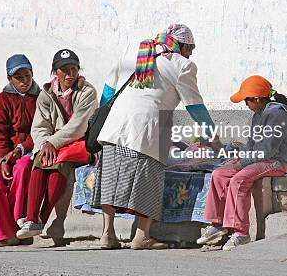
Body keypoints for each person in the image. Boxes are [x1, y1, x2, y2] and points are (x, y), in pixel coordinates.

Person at [92, 24, 218, 250]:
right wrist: (214, 139)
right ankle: (142, 236)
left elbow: (108, 91)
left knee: (111, 180)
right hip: (147, 131)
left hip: (115, 127)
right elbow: (195, 107)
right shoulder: (183, 65)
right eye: (191, 48)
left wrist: (105, 119)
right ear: (182, 46)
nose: (191, 53)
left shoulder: (135, 52)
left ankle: (107, 234)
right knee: (147, 184)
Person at [198, 75, 287, 250]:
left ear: (256, 99)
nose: (245, 105)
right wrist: (242, 158)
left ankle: (241, 232)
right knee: (219, 174)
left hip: (276, 162)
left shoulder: (277, 114)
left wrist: (245, 162)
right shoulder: (258, 115)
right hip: (258, 159)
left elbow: (268, 150)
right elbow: (252, 145)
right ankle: (217, 224)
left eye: (247, 101)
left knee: (239, 180)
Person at [16, 49, 98, 239]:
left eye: (73, 69)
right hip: (53, 143)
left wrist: (52, 142)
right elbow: (39, 126)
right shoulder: (46, 94)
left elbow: (78, 126)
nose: (69, 75)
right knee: (40, 159)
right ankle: (32, 219)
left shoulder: (87, 92)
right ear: (55, 72)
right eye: (64, 70)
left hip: (79, 144)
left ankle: (40, 219)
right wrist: (45, 144)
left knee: (59, 163)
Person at [0, 54, 40, 247]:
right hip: (6, 151)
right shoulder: (3, 99)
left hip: (30, 149)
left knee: (23, 168)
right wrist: (3, 158)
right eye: (19, 77)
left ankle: (18, 224)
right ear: (10, 79)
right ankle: (5, 233)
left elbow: (42, 130)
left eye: (27, 75)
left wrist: (21, 148)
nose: (25, 81)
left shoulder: (41, 98)